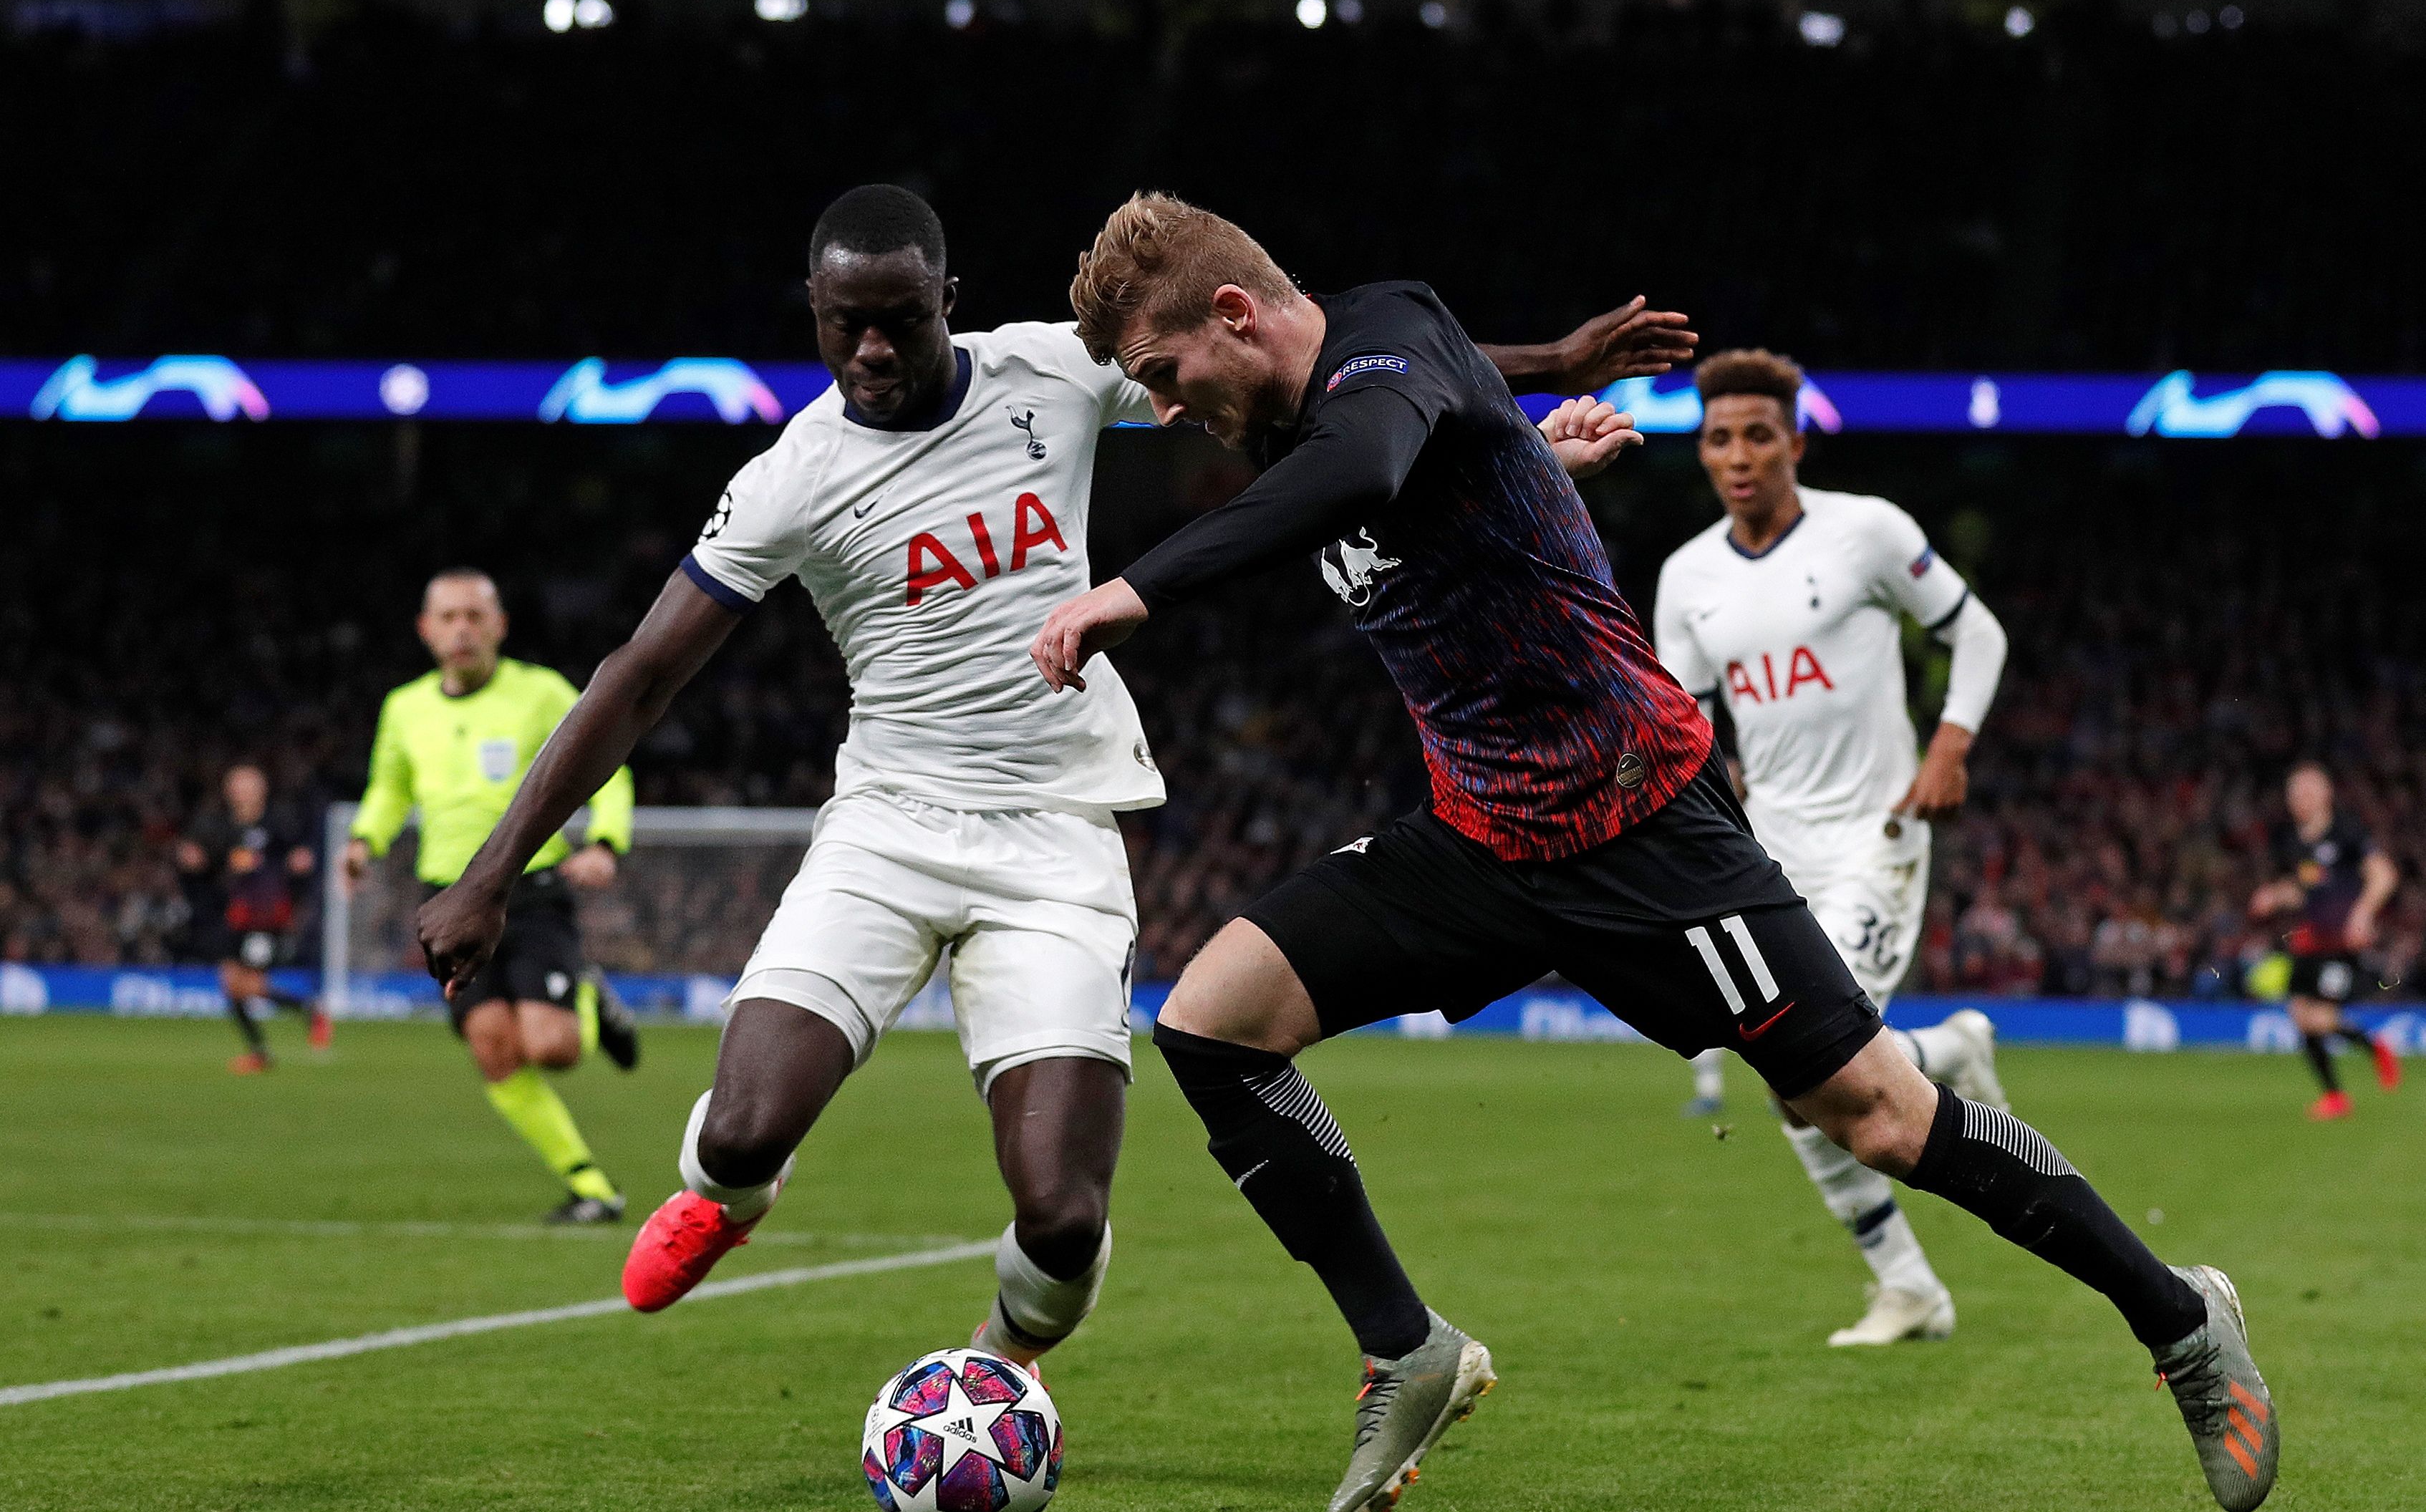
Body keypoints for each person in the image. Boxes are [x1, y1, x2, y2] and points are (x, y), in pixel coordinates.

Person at [1032, 190, 2276, 1512]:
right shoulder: (1349, 388)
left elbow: (1366, 453)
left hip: (1643, 827)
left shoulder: (1374, 369)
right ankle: (1407, 1345)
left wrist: (1132, 588)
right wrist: (1540, 387)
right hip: (1481, 837)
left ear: (1234, 314)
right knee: (1211, 1024)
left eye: (1164, 373)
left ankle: (2181, 1320)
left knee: (1878, 1117)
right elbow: (1425, 410)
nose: (1166, 410)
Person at [412, 184, 1686, 1365]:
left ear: (947, 300)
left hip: (1060, 833)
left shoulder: (1051, 368)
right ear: (814, 311)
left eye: (900, 319)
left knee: (1064, 1217)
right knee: (744, 1130)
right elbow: (638, 675)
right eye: (847, 324)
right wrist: (489, 873)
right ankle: (725, 1194)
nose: (873, 348)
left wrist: (1540, 367)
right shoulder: (789, 479)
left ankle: (997, 1364)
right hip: (888, 826)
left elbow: (1314, 373)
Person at [1653, 348, 2014, 1347]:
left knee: (1811, 1062)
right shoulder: (1688, 577)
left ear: (1795, 444)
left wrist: (1949, 745)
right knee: (1794, 1078)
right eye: (1719, 439)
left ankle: (1910, 1278)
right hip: (1772, 852)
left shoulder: (1867, 532)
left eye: (1758, 436)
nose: (1738, 456)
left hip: (1876, 834)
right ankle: (1915, 1255)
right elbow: (1691, 727)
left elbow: (1978, 635)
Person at [344, 568, 642, 1223]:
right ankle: (590, 1185)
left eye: (475, 616)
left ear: (500, 625)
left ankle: (588, 992)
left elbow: (607, 760)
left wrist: (606, 840)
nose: (462, 629)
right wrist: (364, 840)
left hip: (529, 889)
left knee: (554, 1048)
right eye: (449, 617)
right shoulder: (405, 707)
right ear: (426, 630)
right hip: (448, 899)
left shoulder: (541, 693)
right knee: (492, 1046)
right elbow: (390, 786)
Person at [2249, 761, 2400, 1119]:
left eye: (2307, 791)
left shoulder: (2347, 831)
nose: (2299, 799)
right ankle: (2335, 1096)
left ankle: (2372, 1048)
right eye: (2294, 793)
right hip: (2310, 942)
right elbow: (2305, 890)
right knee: (2300, 1016)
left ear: (2326, 794)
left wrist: (2363, 913)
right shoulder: (2293, 842)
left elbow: (2384, 875)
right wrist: (2274, 896)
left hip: (2342, 943)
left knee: (2318, 1017)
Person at [175, 762, 330, 1073]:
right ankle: (264, 1048)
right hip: (234, 917)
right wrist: (194, 859)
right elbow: (206, 861)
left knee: (247, 985)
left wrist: (299, 863)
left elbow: (301, 856)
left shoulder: (278, 823)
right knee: (231, 985)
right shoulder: (221, 827)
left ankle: (307, 1013)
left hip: (267, 916)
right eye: (236, 786)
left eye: (248, 785)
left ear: (262, 790)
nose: (241, 792)